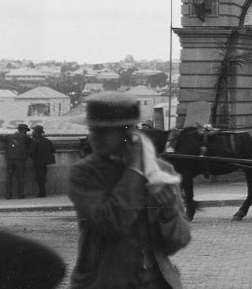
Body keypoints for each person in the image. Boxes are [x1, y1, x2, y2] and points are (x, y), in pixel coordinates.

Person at [68, 91, 192, 288]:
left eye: (102, 132)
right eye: (93, 130)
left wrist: (168, 212)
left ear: (128, 134)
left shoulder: (161, 172)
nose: (93, 138)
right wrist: (135, 169)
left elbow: (180, 241)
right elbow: (112, 223)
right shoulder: (84, 174)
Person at [0, 124, 32, 199]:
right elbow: (32, 143)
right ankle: (20, 195)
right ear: (23, 130)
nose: (26, 132)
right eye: (26, 131)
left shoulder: (10, 136)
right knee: (20, 178)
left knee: (9, 177)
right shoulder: (26, 137)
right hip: (21, 160)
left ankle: (8, 195)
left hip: (10, 159)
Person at [29, 125, 57, 198]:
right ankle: (42, 192)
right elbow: (53, 150)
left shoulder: (35, 141)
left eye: (33, 131)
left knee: (39, 177)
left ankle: (42, 193)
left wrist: (35, 157)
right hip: (45, 162)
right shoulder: (47, 140)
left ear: (36, 133)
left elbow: (32, 153)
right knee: (43, 177)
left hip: (38, 162)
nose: (32, 133)